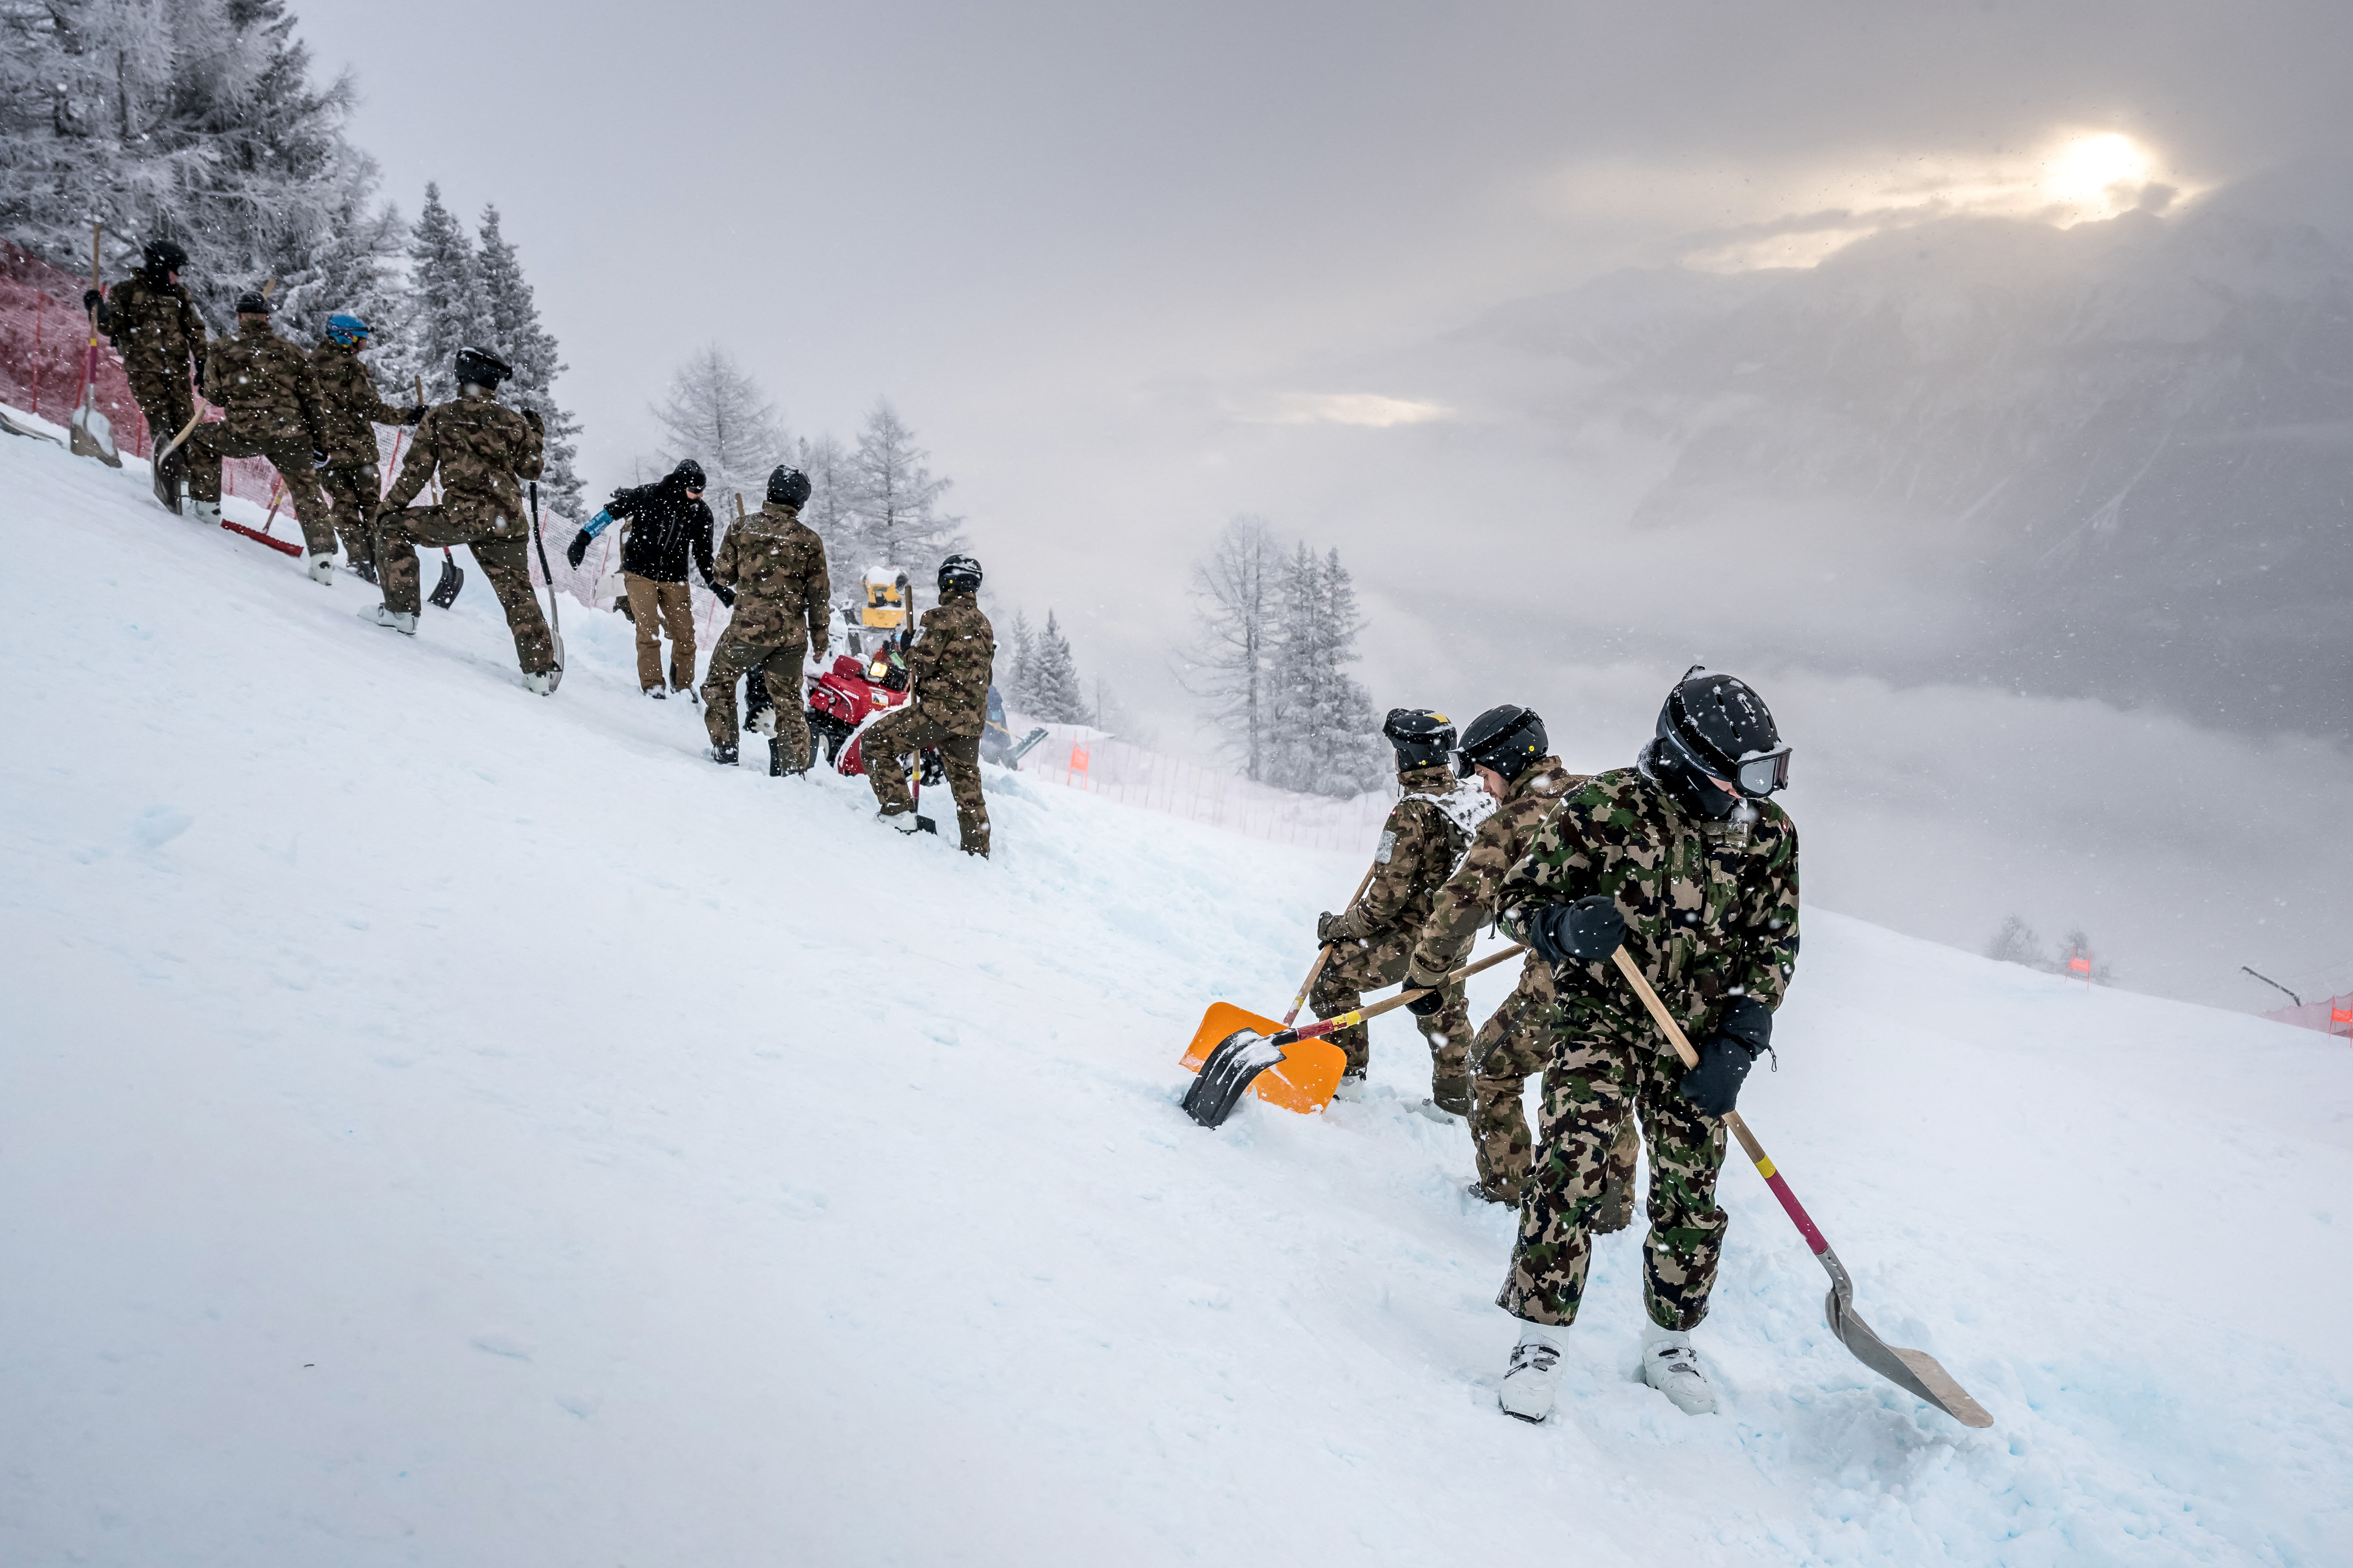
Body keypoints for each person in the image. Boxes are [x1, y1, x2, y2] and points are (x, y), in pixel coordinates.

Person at [1486, 667, 1799, 1425]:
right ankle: (1540, 1337)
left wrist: (1743, 1036)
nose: (1747, 797)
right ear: (1687, 760)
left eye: (1762, 778)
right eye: (1736, 780)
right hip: (1599, 1020)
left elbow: (1773, 941)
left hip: (1696, 1037)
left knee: (1691, 1189)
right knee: (1571, 1162)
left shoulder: (1767, 833)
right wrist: (1560, 928)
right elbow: (1513, 902)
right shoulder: (1604, 808)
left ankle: (1669, 1341)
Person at [1403, 705, 1635, 1214]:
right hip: (1637, 986)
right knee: (1608, 1082)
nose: (1485, 789)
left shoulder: (1513, 822)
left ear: (1508, 763)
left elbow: (1457, 909)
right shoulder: (1598, 791)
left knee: (1488, 1066)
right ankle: (1612, 1206)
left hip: (1563, 984)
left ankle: (1506, 1189)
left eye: (1486, 775)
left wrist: (1422, 978)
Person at [1308, 709, 1490, 1105]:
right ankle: (1455, 1101)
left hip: (1412, 939)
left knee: (1333, 980)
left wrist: (1339, 927)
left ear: (1406, 756)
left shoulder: (1411, 813)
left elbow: (1382, 905)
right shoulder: (1471, 799)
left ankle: (1345, 1080)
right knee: (1445, 1007)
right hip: (1456, 932)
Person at [365, 346, 558, 694]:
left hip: (462, 517)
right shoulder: (514, 422)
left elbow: (415, 473)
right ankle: (540, 671)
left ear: (460, 376)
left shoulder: (440, 417)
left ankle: (401, 612)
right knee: (517, 591)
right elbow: (532, 469)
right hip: (508, 521)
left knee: (394, 529)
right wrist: (536, 433)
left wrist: (386, 511)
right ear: (494, 385)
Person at [180, 290, 338, 583]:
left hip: (243, 434)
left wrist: (206, 384)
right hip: (292, 435)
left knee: (200, 439)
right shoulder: (292, 352)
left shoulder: (221, 349)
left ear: (240, 317)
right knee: (306, 489)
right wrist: (322, 443)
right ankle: (323, 559)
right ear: (267, 317)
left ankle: (207, 507)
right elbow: (314, 403)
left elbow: (214, 398)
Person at [700, 465, 831, 772]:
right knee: (788, 701)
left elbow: (721, 576)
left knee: (719, 682)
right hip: (792, 636)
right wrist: (820, 638)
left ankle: (726, 749)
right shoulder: (810, 540)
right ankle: (793, 769)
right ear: (800, 502)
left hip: (749, 631)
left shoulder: (742, 528)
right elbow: (819, 595)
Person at [864, 554, 995, 856]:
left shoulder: (938, 617)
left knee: (875, 743)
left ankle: (898, 812)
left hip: (937, 713)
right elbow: (986, 674)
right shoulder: (985, 626)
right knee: (967, 787)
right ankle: (977, 850)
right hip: (972, 719)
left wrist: (908, 647)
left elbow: (920, 665)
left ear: (946, 582)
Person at [565, 460, 717, 697]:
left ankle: (684, 686)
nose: (699, 496)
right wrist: (583, 538)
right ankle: (653, 685)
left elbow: (704, 556)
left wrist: (716, 585)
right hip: (639, 573)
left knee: (685, 636)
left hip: (675, 578)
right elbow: (610, 513)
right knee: (649, 629)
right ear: (680, 485)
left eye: (701, 491)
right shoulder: (648, 495)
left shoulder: (701, 513)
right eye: (695, 490)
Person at [87, 237, 204, 512]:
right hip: (144, 371)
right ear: (159, 267)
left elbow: (195, 329)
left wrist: (202, 360)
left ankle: (190, 479)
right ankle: (168, 475)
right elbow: (108, 326)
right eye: (175, 269)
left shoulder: (180, 296)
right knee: (161, 420)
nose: (178, 276)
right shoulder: (127, 292)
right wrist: (98, 308)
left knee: (186, 422)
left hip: (176, 371)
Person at [308, 313, 424, 583]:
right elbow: (370, 407)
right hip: (358, 451)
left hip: (325, 453)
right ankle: (381, 562)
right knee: (372, 506)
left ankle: (360, 558)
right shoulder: (352, 368)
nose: (364, 346)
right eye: (361, 340)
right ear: (345, 337)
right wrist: (409, 416)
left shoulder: (308, 364)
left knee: (343, 506)